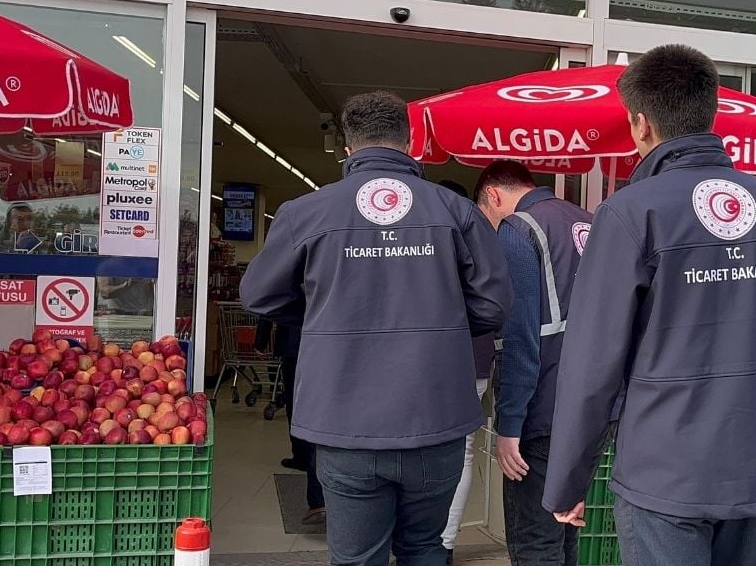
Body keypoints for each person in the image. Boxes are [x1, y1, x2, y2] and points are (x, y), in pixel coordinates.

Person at [542, 45, 756, 566]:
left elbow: (592, 363)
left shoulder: (630, 213)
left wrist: (568, 478)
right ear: (710, 111)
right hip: (754, 464)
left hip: (664, 472)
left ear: (640, 124)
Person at [240, 91, 511, 566]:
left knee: (356, 558)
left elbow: (259, 296)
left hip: (345, 422)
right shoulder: (457, 211)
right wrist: (438, 322)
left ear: (347, 149)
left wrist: (330, 314)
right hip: (437, 417)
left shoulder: (306, 213)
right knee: (425, 549)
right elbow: (493, 305)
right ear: (411, 144)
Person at [474, 160, 593, 566]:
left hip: (544, 407)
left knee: (534, 542)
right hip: (593, 408)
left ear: (493, 195)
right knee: (564, 528)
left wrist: (509, 426)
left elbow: (521, 338)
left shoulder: (519, 229)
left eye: (486, 217)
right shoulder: (588, 221)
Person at [434, 179, 498, 564]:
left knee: (413, 447)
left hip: (422, 361)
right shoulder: (481, 239)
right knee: (462, 451)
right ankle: (443, 542)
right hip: (473, 356)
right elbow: (495, 304)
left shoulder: (422, 236)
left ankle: (418, 539)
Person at [256, 317, 327, 525]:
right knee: (322, 411)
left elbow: (268, 296)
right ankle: (323, 493)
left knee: (297, 406)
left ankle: (316, 494)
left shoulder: (297, 283)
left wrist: (261, 338)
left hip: (293, 342)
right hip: (328, 343)